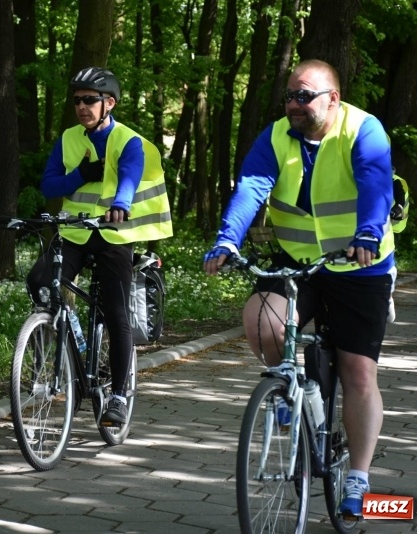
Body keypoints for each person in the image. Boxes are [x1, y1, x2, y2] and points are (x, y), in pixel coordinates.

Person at [202, 59, 394, 517]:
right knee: (261, 321)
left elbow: (375, 182)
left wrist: (368, 232)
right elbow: (252, 186)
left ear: (333, 99)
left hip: (359, 264)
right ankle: (291, 389)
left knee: (357, 372)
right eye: (289, 95)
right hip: (298, 259)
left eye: (304, 96)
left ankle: (358, 478)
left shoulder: (363, 130)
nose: (293, 104)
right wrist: (227, 238)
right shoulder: (275, 137)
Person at [26, 67, 173, 424]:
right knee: (39, 281)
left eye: (89, 100)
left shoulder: (128, 141)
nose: (81, 106)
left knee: (116, 312)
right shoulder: (68, 139)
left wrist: (120, 204)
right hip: (75, 233)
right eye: (77, 100)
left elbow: (130, 176)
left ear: (110, 103)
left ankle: (118, 398)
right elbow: (49, 186)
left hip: (113, 237)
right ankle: (70, 342)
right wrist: (80, 175)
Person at [387, 171, 410, 323]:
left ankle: (387, 295)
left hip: (391, 225)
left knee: (387, 259)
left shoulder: (396, 181)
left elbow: (400, 199)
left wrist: (397, 209)